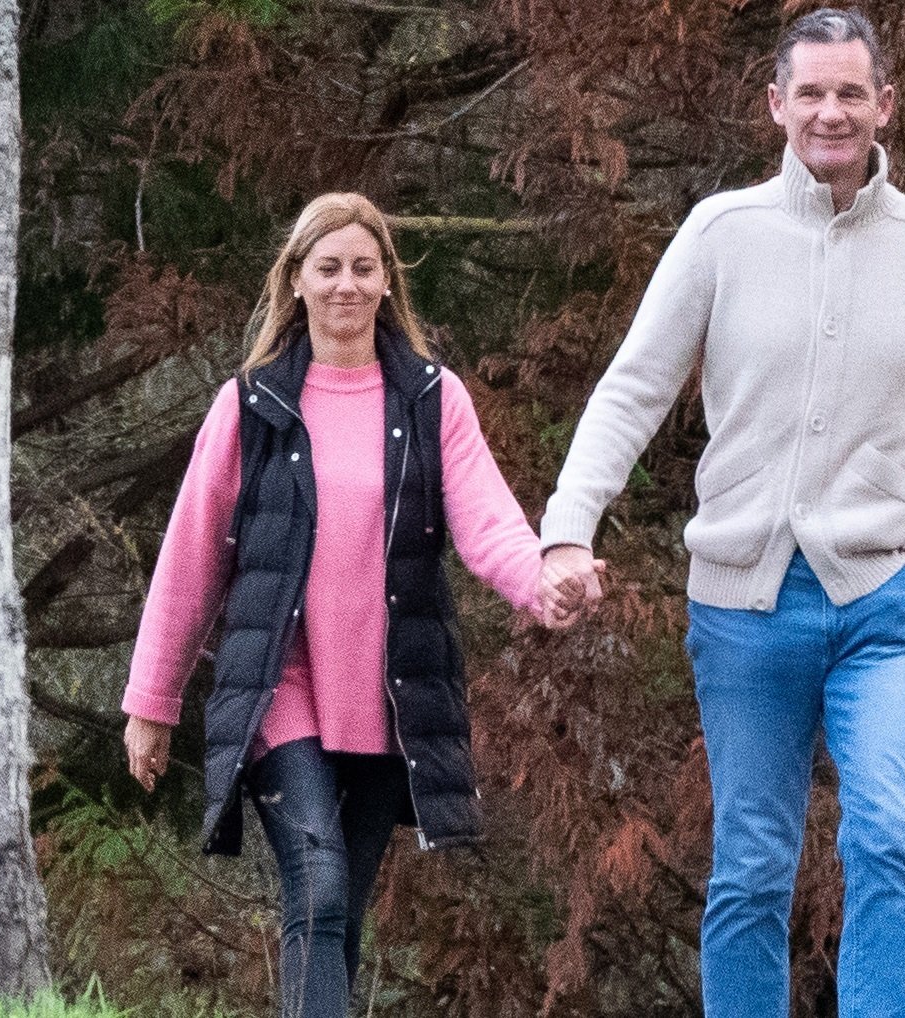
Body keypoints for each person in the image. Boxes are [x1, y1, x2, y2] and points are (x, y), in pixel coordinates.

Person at [538, 8, 905, 1017]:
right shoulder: (722, 232)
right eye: (811, 93)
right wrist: (567, 530)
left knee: (888, 833)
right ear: (776, 107)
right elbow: (632, 391)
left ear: (884, 105)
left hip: (886, 608)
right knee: (751, 866)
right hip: (743, 608)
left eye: (851, 92)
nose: (831, 112)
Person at [121, 192, 586, 1018]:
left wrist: (542, 583)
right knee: (319, 885)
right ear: (295, 281)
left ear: (386, 282)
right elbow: (189, 557)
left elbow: (488, 525)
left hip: (385, 696)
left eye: (362, 268)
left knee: (335, 920)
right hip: (279, 685)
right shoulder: (251, 405)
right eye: (327, 268)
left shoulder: (433, 401)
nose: (345, 284)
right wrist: (150, 703)